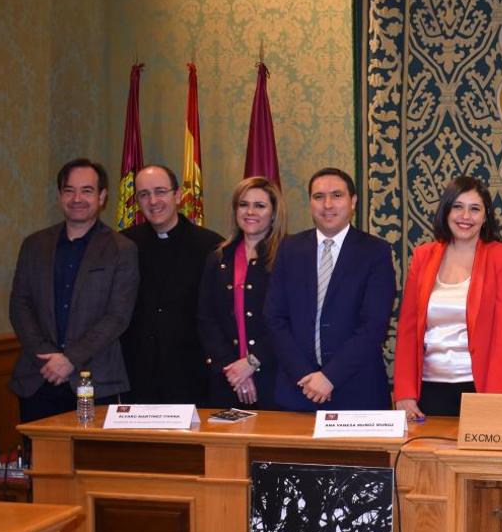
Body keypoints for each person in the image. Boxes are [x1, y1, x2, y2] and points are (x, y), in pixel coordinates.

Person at [9, 158, 138, 422]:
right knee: (39, 461)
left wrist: (69, 359)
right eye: (69, 190)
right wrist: (47, 358)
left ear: (102, 197)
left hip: (96, 382)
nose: (77, 198)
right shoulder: (34, 245)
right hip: (39, 378)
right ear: (60, 196)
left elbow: (118, 316)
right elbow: (20, 304)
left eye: (87, 190)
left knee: (93, 462)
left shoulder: (121, 249)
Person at [392, 176, 502, 419]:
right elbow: (408, 330)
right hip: (428, 390)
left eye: (475, 209)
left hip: (481, 390)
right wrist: (404, 392)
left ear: (485, 217)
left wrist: (494, 400)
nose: (466, 216)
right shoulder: (423, 256)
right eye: (458, 207)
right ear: (446, 211)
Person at [265, 168, 395, 411]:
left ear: (353, 201)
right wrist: (305, 375)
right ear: (310, 202)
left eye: (337, 195)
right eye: (318, 197)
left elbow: (374, 325)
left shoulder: (375, 252)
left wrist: (329, 377)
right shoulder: (289, 249)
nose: (327, 205)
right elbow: (275, 318)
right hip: (298, 389)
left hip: (356, 392)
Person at [120, 164, 222, 404]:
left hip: (192, 375)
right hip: (138, 374)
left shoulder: (211, 246)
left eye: (160, 191)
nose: (153, 201)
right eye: (144, 194)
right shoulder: (124, 245)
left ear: (177, 195)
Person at [197, 177, 287, 409]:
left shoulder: (289, 257)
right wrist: (235, 370)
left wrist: (252, 362)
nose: (250, 212)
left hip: (274, 376)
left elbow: (292, 321)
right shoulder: (218, 258)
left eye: (260, 205)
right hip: (227, 378)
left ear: (274, 213)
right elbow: (206, 319)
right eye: (244, 204)